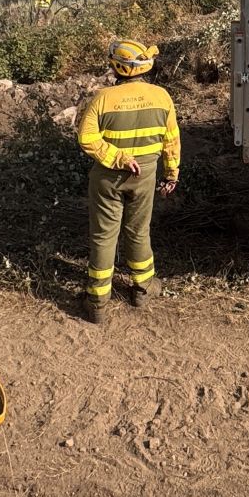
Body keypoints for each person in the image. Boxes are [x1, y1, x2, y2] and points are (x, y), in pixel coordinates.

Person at [73, 40, 180, 325]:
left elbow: (87, 139)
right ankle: (143, 289)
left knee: (104, 236)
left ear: (116, 66)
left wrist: (117, 157)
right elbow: (171, 141)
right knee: (138, 231)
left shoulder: (102, 99)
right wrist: (172, 173)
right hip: (145, 176)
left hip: (107, 177)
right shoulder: (162, 97)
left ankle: (96, 303)